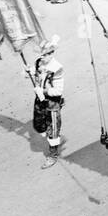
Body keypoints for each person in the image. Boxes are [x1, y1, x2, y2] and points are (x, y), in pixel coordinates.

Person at [32, 38, 65, 169]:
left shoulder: (57, 68)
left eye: (46, 54)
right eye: (42, 54)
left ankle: (53, 154)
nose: (43, 57)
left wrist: (43, 91)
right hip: (39, 102)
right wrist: (28, 71)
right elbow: (35, 72)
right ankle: (49, 133)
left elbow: (58, 91)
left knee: (53, 132)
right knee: (38, 125)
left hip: (52, 105)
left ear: (51, 53)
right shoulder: (39, 62)